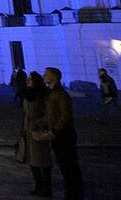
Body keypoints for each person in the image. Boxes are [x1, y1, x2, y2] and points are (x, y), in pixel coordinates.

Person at [44, 67, 83, 200]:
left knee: (69, 166)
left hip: (64, 135)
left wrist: (54, 131)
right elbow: (51, 114)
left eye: (46, 74)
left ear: (53, 77)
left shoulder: (60, 94)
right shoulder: (51, 92)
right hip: (58, 134)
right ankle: (71, 192)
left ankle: (74, 194)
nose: (44, 76)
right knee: (64, 166)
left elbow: (65, 117)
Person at [21, 71, 52, 197]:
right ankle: (38, 185)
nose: (27, 81)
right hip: (28, 130)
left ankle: (47, 187)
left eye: (30, 79)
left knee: (43, 161)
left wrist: (39, 123)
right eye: (27, 79)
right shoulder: (27, 94)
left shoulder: (43, 95)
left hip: (40, 131)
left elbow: (49, 114)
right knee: (32, 161)